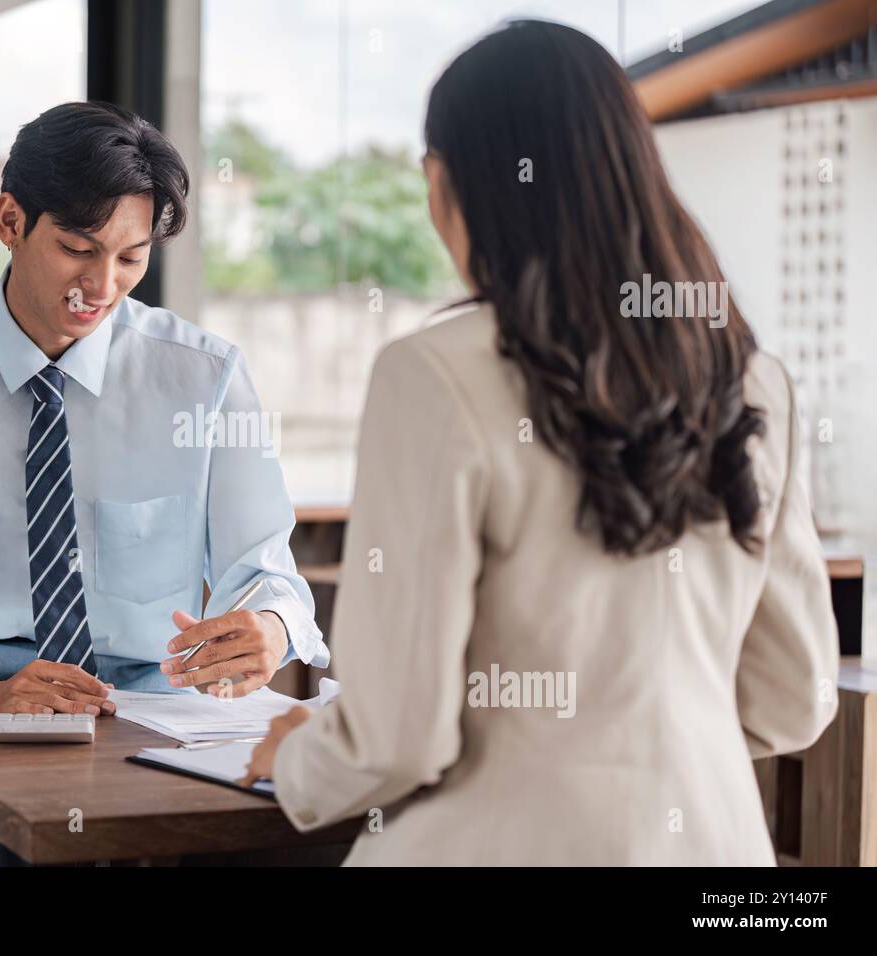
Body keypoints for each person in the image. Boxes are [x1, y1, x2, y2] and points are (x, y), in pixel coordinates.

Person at [243, 20, 838, 865]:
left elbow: (399, 737)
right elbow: (793, 697)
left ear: (445, 186)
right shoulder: (749, 376)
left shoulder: (433, 375)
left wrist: (295, 758)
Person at [0, 101, 327, 866]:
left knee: (286, 821)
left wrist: (269, 629)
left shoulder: (205, 377)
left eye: (130, 258)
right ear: (10, 220)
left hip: (162, 697)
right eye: (78, 248)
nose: (102, 285)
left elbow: (267, 572)